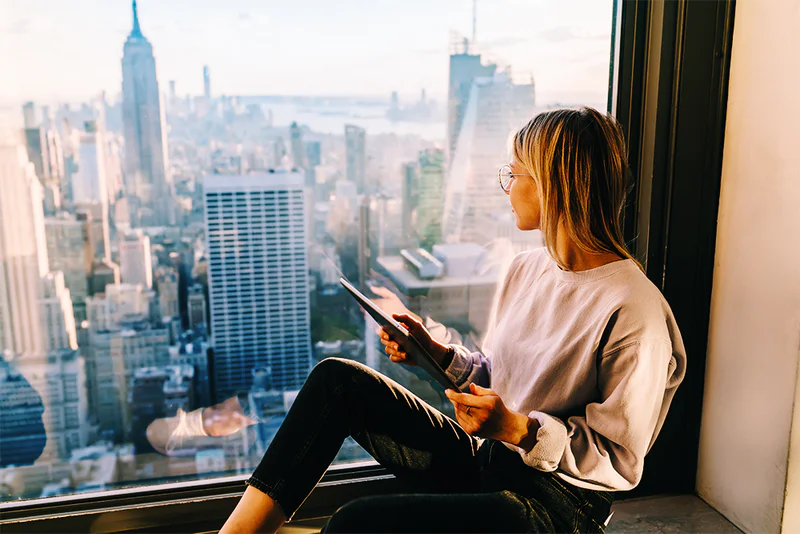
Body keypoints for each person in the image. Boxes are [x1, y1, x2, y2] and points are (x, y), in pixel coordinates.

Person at [214, 106, 686, 533]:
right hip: (491, 461)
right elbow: (501, 377)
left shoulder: (634, 311)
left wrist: (520, 431)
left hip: (559, 508)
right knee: (336, 381)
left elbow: (621, 460)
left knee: (355, 524)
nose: (506, 186)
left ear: (552, 183)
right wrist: (436, 355)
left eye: (514, 173)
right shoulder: (526, 269)